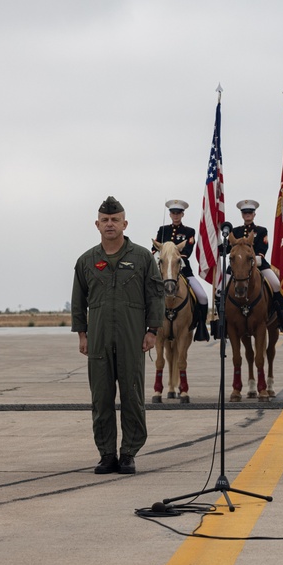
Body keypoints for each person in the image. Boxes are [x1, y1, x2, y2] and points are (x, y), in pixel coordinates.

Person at [72, 196, 164, 475]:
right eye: (105, 220)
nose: (109, 224)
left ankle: (129, 453)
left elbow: (155, 295)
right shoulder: (86, 260)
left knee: (132, 396)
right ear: (97, 225)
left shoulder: (142, 257)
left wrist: (152, 331)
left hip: (132, 337)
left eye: (115, 220)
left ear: (125, 223)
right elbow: (79, 301)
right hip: (98, 338)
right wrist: (82, 335)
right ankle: (107, 454)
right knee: (101, 398)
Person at [225, 199, 283, 333]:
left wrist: (257, 257)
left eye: (250, 212)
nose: (248, 215)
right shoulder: (235, 231)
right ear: (242, 215)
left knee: (276, 285)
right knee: (221, 290)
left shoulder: (261, 230)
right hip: (238, 267)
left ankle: (280, 317)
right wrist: (220, 241)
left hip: (258, 264)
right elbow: (227, 248)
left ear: (254, 214)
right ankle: (223, 320)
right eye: (245, 213)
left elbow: (263, 247)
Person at [153, 199, 209, 341]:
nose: (176, 215)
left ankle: (201, 326)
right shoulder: (162, 229)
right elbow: (155, 249)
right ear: (170, 214)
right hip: (164, 272)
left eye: (178, 213)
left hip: (183, 270)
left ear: (182, 214)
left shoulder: (189, 231)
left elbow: (187, 251)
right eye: (173, 213)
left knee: (202, 297)